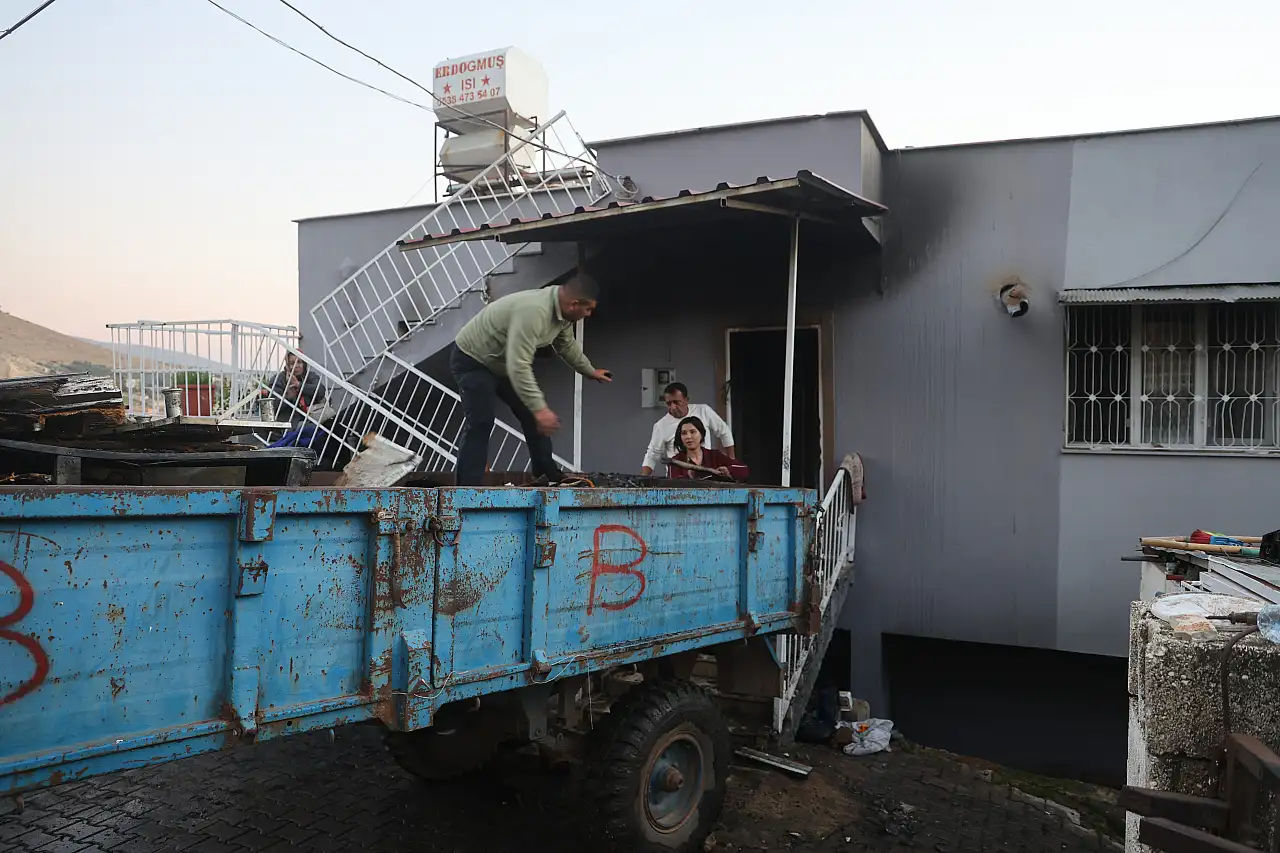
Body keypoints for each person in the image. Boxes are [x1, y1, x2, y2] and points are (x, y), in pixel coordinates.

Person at [450, 275, 612, 486]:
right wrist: (540, 410)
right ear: (574, 304)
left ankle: (547, 474)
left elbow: (566, 345)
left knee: (532, 414)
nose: (589, 314)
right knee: (481, 421)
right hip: (474, 359)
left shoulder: (562, 314)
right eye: (588, 309)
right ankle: (466, 488)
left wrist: (589, 370)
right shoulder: (535, 312)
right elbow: (518, 366)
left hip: (503, 362)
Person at [640, 382, 734, 475]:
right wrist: (642, 479)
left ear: (686, 400)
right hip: (678, 475)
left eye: (677, 402)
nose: (673, 407)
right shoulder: (661, 426)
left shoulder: (703, 411)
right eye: (669, 403)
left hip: (706, 472)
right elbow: (652, 454)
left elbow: (724, 432)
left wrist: (732, 463)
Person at [668, 416, 749, 481]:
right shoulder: (676, 460)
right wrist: (689, 477)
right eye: (684, 433)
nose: (688, 437)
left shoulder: (714, 455)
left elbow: (744, 470)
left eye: (693, 432)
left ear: (701, 434)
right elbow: (673, 485)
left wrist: (728, 470)